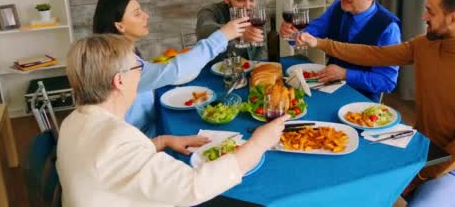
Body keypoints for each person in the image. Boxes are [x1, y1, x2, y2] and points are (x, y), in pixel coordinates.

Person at [296, 0, 455, 206]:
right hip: (420, 147)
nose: (424, 17)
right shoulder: (426, 45)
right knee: (349, 171)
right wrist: (319, 42)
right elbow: (374, 54)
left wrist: (418, 176)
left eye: (430, 12)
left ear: (453, 18)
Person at [57, 34, 290, 206]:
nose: (141, 73)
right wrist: (259, 143)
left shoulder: (72, 122)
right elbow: (193, 187)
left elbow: (112, 167)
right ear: (119, 81)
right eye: (139, 66)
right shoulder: (117, 138)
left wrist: (161, 141)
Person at [92, 0, 249, 138]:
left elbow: (164, 73)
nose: (146, 15)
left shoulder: (116, 53)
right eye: (137, 13)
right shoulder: (121, 63)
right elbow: (174, 70)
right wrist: (223, 35)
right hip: (140, 141)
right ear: (120, 26)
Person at [281, 0, 401, 102]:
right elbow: (309, 34)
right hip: (327, 90)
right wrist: (291, 33)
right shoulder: (338, 7)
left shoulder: (388, 28)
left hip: (361, 102)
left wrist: (345, 74)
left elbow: (387, 82)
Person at [196, 0, 264, 61]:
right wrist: (238, 32)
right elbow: (204, 31)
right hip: (213, 71)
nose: (247, 6)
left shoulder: (256, 16)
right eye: (240, 0)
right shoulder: (209, 11)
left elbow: (261, 52)